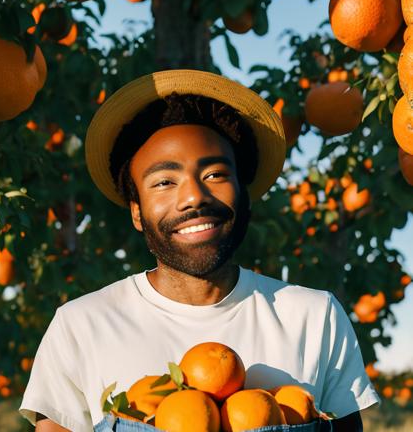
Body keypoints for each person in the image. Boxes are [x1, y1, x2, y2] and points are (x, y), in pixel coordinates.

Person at [19, 69, 380, 432]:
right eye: (164, 182)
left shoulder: (315, 318)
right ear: (136, 212)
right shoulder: (81, 326)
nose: (193, 197)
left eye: (215, 175)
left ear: (243, 194)